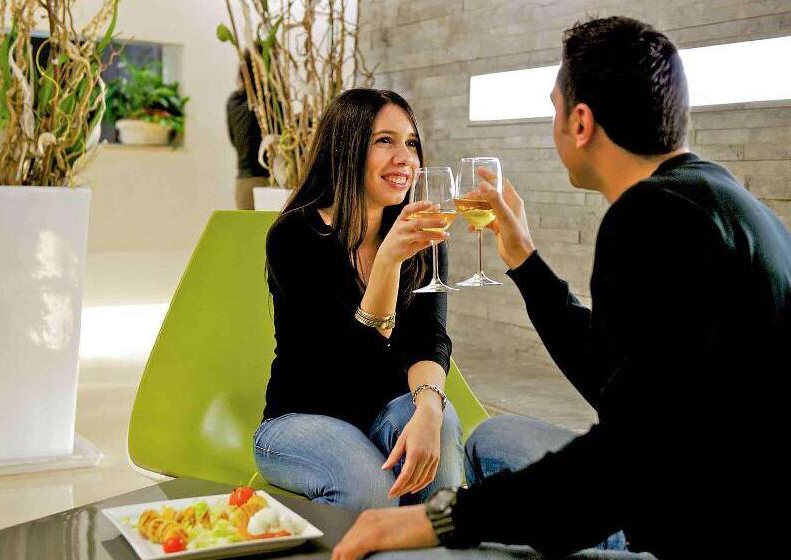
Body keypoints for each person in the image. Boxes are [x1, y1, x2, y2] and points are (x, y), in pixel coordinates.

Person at [332, 16, 790, 560]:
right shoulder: (723, 198)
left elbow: (621, 460)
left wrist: (440, 519)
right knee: (493, 439)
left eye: (553, 108)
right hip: (717, 487)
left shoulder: (648, 217)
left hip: (698, 529)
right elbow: (619, 379)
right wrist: (524, 260)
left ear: (580, 122)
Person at [255, 88, 464, 511]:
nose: (405, 158)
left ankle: (432, 543)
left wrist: (429, 408)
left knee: (439, 426)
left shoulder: (420, 235)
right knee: (370, 488)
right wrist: (387, 263)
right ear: (345, 148)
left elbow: (428, 337)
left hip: (381, 415)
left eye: (411, 143)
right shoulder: (295, 237)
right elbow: (343, 364)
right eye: (385, 141)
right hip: (302, 419)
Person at [227, 51, 271, 210]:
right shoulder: (269, 102)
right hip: (268, 182)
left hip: (244, 182)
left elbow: (234, 139)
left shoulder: (234, 101)